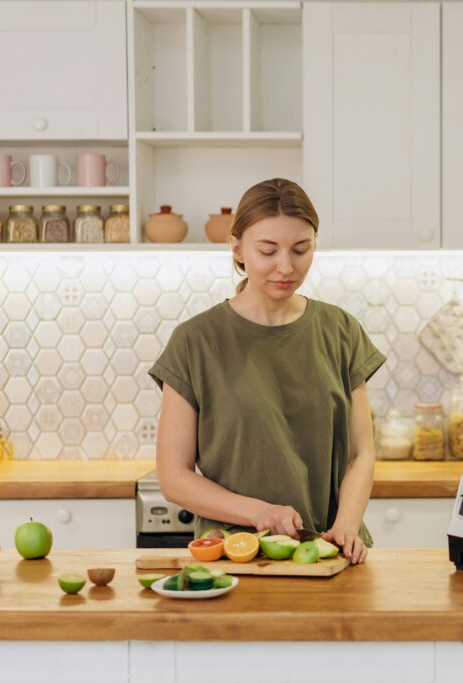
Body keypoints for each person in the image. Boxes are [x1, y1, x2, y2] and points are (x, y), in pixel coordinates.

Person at [150, 178, 385, 564]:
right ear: (237, 248)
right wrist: (259, 513)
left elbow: (361, 453)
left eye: (300, 249)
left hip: (331, 554)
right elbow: (174, 477)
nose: (285, 267)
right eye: (267, 250)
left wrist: (346, 524)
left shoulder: (341, 331)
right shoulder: (195, 341)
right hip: (234, 559)